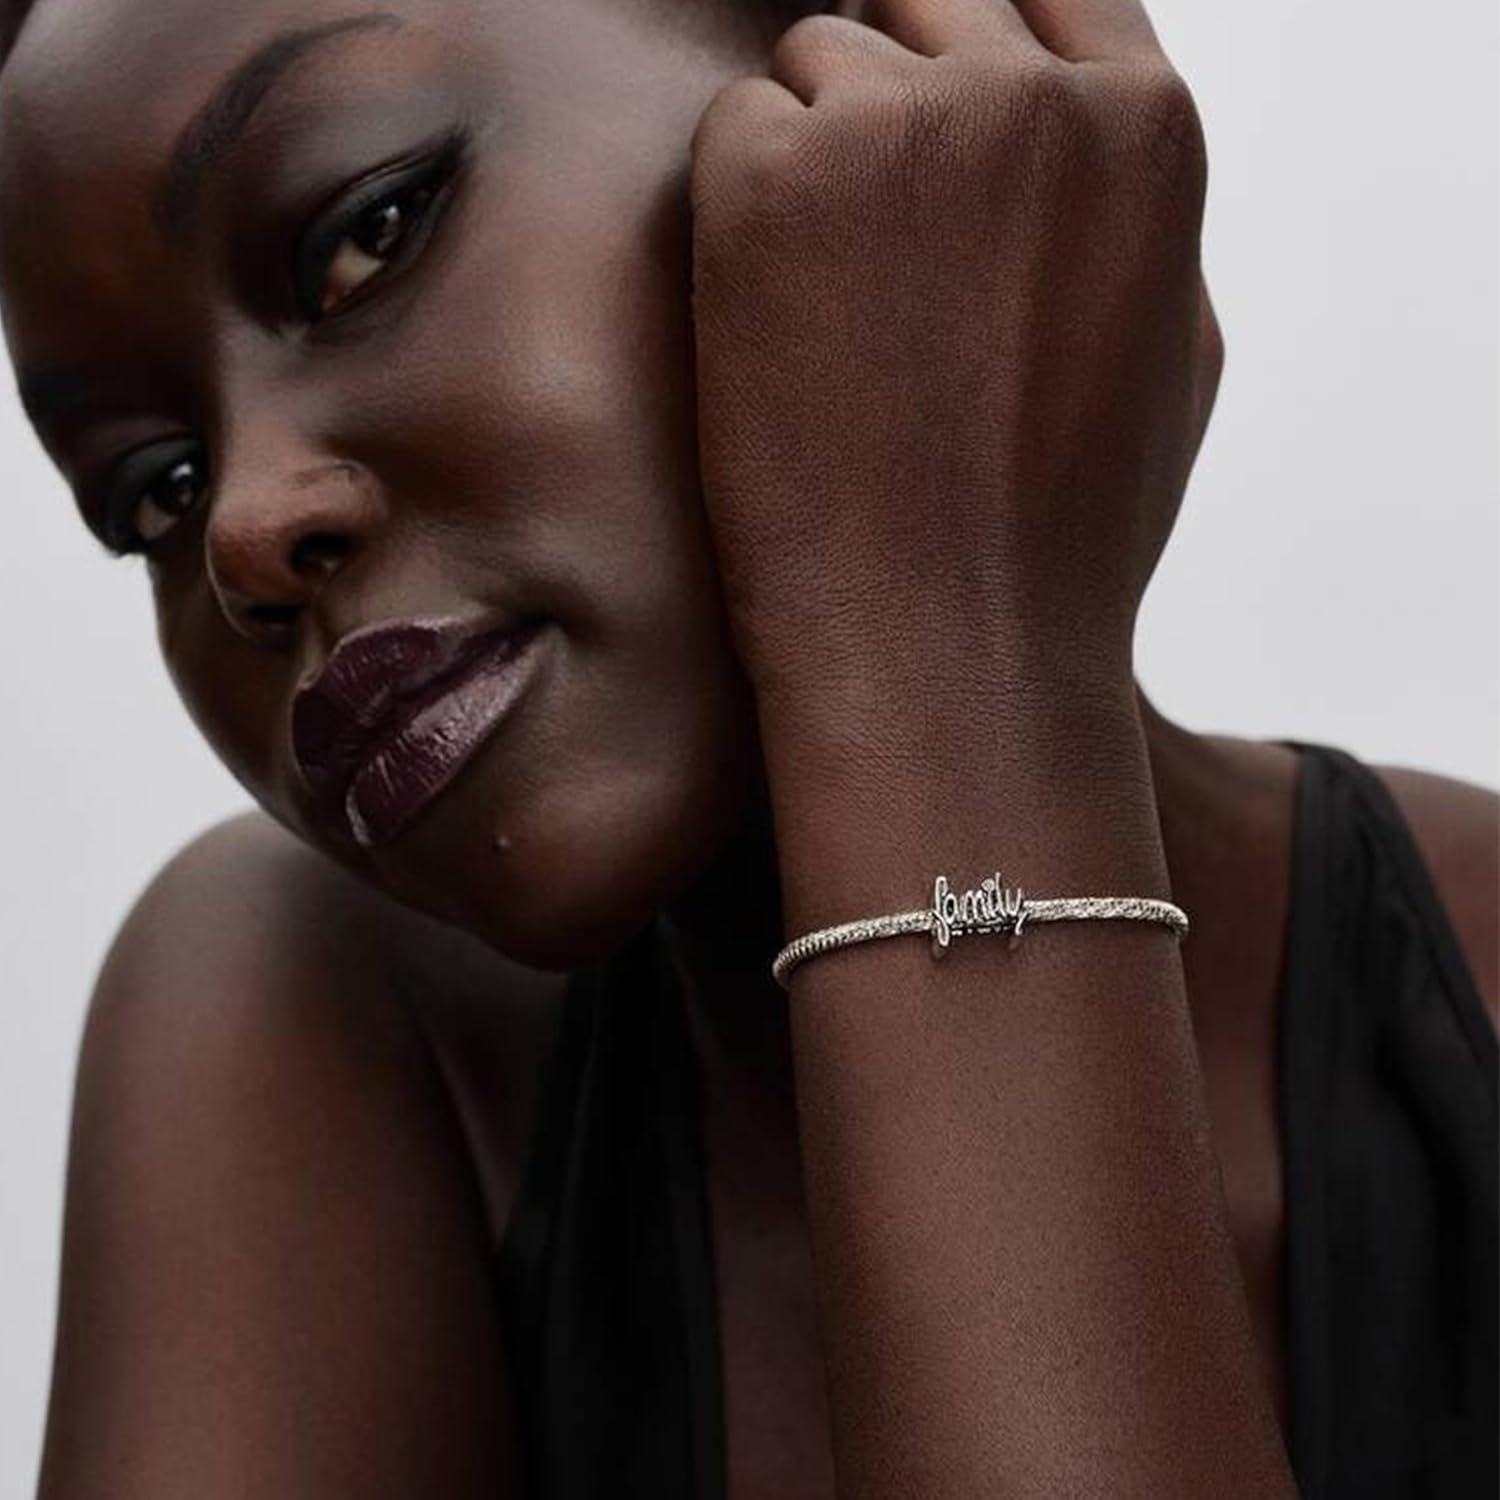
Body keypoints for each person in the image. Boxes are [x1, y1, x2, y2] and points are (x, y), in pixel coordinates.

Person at [1, 0, 1494, 1495]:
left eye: (366, 236)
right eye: (152, 488)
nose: (243, 535)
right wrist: (945, 657)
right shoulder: (312, 1014)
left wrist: (936, 637)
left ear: (874, 58)